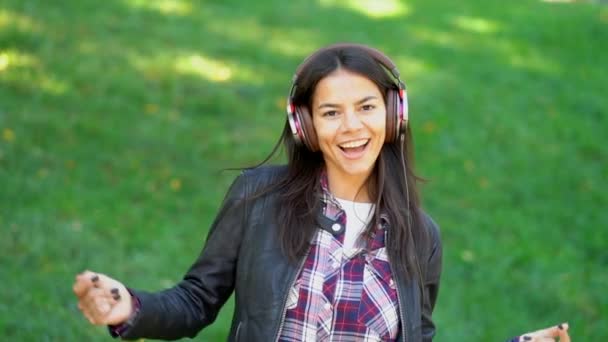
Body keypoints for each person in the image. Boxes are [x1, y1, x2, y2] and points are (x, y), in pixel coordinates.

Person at [73, 43, 571, 342]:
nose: (351, 127)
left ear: (394, 115)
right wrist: (130, 308)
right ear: (306, 125)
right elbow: (197, 300)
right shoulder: (257, 199)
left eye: (366, 107)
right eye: (331, 112)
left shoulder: (421, 236)